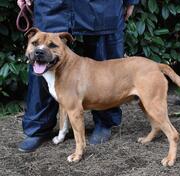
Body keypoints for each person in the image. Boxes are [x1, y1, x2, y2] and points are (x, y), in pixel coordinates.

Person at [17, 0, 139, 152]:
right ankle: (38, 126)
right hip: (52, 4)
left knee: (106, 60)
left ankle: (104, 120)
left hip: (104, 6)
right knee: (41, 57)